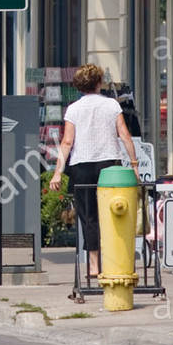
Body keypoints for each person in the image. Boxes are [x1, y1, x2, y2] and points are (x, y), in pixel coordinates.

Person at [48, 64, 139, 277]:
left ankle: (93, 265)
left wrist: (58, 172)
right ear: (99, 83)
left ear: (80, 86)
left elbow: (67, 142)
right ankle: (114, 261)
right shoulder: (112, 105)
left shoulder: (73, 109)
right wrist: (134, 165)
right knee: (113, 213)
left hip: (82, 166)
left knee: (88, 217)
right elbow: (125, 135)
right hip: (109, 165)